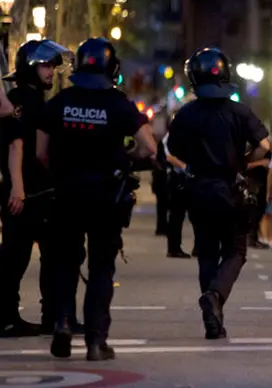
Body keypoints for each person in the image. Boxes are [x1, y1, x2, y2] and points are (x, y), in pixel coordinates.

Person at [37, 38, 157, 361]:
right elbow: (150, 147)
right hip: (105, 196)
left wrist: (63, 172)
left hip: (66, 195)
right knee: (101, 267)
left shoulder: (61, 102)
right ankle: (95, 341)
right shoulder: (118, 104)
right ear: (112, 68)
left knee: (64, 262)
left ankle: (62, 322)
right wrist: (125, 155)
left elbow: (40, 152)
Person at [167, 47, 271, 339]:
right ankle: (215, 296)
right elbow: (265, 146)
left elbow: (174, 149)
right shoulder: (239, 111)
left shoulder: (186, 113)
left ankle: (212, 319)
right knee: (236, 250)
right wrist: (243, 161)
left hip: (198, 189)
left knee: (207, 253)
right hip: (230, 189)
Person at [0, 40, 74, 337]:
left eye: (54, 66)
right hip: (25, 193)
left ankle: (53, 316)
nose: (52, 72)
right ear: (30, 67)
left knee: (52, 255)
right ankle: (6, 317)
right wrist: (17, 188)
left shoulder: (35, 101)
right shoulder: (21, 102)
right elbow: (15, 145)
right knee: (14, 258)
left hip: (39, 192)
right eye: (46, 65)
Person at [162, 124, 192, 259]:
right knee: (176, 215)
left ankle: (200, 247)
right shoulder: (170, 137)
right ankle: (174, 248)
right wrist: (184, 166)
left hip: (193, 178)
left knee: (198, 214)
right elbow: (168, 156)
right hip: (178, 178)